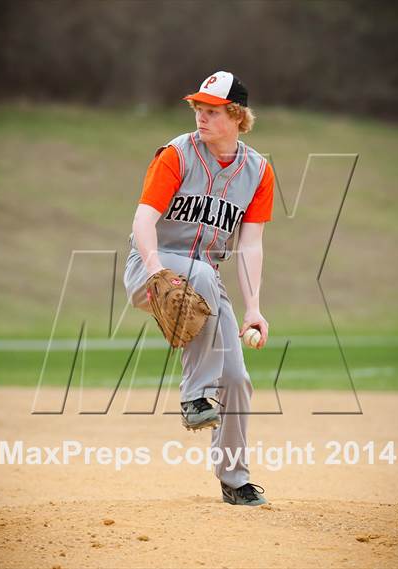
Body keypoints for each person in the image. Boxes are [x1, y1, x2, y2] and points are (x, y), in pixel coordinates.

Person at [124, 71, 274, 506]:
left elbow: (250, 245)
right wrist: (155, 270)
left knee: (237, 379)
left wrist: (254, 309)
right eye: (198, 110)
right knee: (202, 274)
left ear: (237, 117)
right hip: (148, 268)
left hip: (205, 278)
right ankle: (194, 397)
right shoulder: (176, 153)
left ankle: (235, 479)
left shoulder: (258, 171)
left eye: (212, 112)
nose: (201, 119)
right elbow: (142, 222)